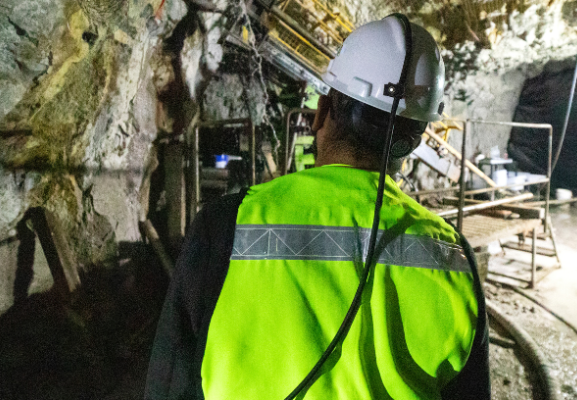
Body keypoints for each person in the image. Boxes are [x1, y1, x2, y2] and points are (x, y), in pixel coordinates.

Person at [145, 14, 489, 400]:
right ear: (413, 140)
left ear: (321, 112)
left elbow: (170, 381)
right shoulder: (454, 257)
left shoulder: (226, 224)